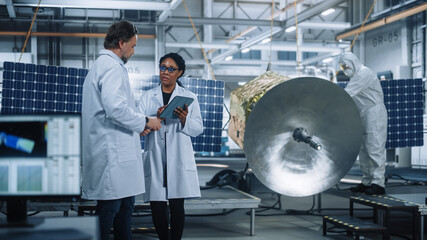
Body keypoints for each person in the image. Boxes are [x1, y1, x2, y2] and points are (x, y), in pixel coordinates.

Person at [81, 20, 162, 240]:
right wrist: (146, 121)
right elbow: (115, 109)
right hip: (111, 157)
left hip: (117, 154)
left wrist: (138, 126)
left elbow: (117, 109)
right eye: (133, 46)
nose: (134, 51)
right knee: (110, 211)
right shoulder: (111, 66)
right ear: (121, 42)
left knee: (125, 208)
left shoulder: (105, 66)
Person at [138, 52, 204, 240]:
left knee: (177, 205)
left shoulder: (189, 97)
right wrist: (156, 117)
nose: (165, 72)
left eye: (170, 69)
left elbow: (198, 128)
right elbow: (138, 125)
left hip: (178, 156)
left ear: (179, 73)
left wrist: (184, 120)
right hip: (155, 155)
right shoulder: (147, 97)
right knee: (157, 203)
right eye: (162, 67)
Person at [339, 52, 388, 195]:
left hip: (374, 114)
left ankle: (378, 183)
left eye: (346, 65)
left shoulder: (363, 73)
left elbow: (347, 94)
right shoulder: (355, 76)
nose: (344, 68)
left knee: (374, 147)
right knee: (364, 150)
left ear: (353, 62)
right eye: (342, 67)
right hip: (363, 114)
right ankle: (367, 181)